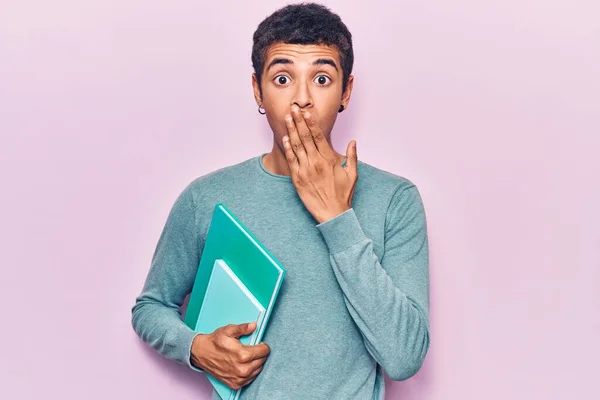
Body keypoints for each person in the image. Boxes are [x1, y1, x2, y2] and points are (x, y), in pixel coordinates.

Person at [131, 3, 430, 399]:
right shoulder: (205, 197)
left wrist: (336, 215)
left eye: (322, 78)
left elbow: (404, 357)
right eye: (283, 78)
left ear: (346, 92)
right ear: (258, 89)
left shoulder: (395, 200)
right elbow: (150, 307)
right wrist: (196, 348)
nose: (302, 99)